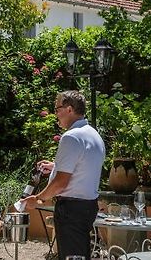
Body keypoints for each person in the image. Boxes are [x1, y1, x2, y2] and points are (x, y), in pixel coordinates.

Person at [22, 90, 105, 260]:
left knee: (72, 257)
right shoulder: (93, 134)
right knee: (80, 255)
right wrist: (55, 167)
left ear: (69, 109)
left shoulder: (71, 137)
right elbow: (84, 167)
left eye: (57, 109)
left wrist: (38, 199)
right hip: (87, 207)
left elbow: (61, 183)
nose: (55, 114)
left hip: (71, 210)